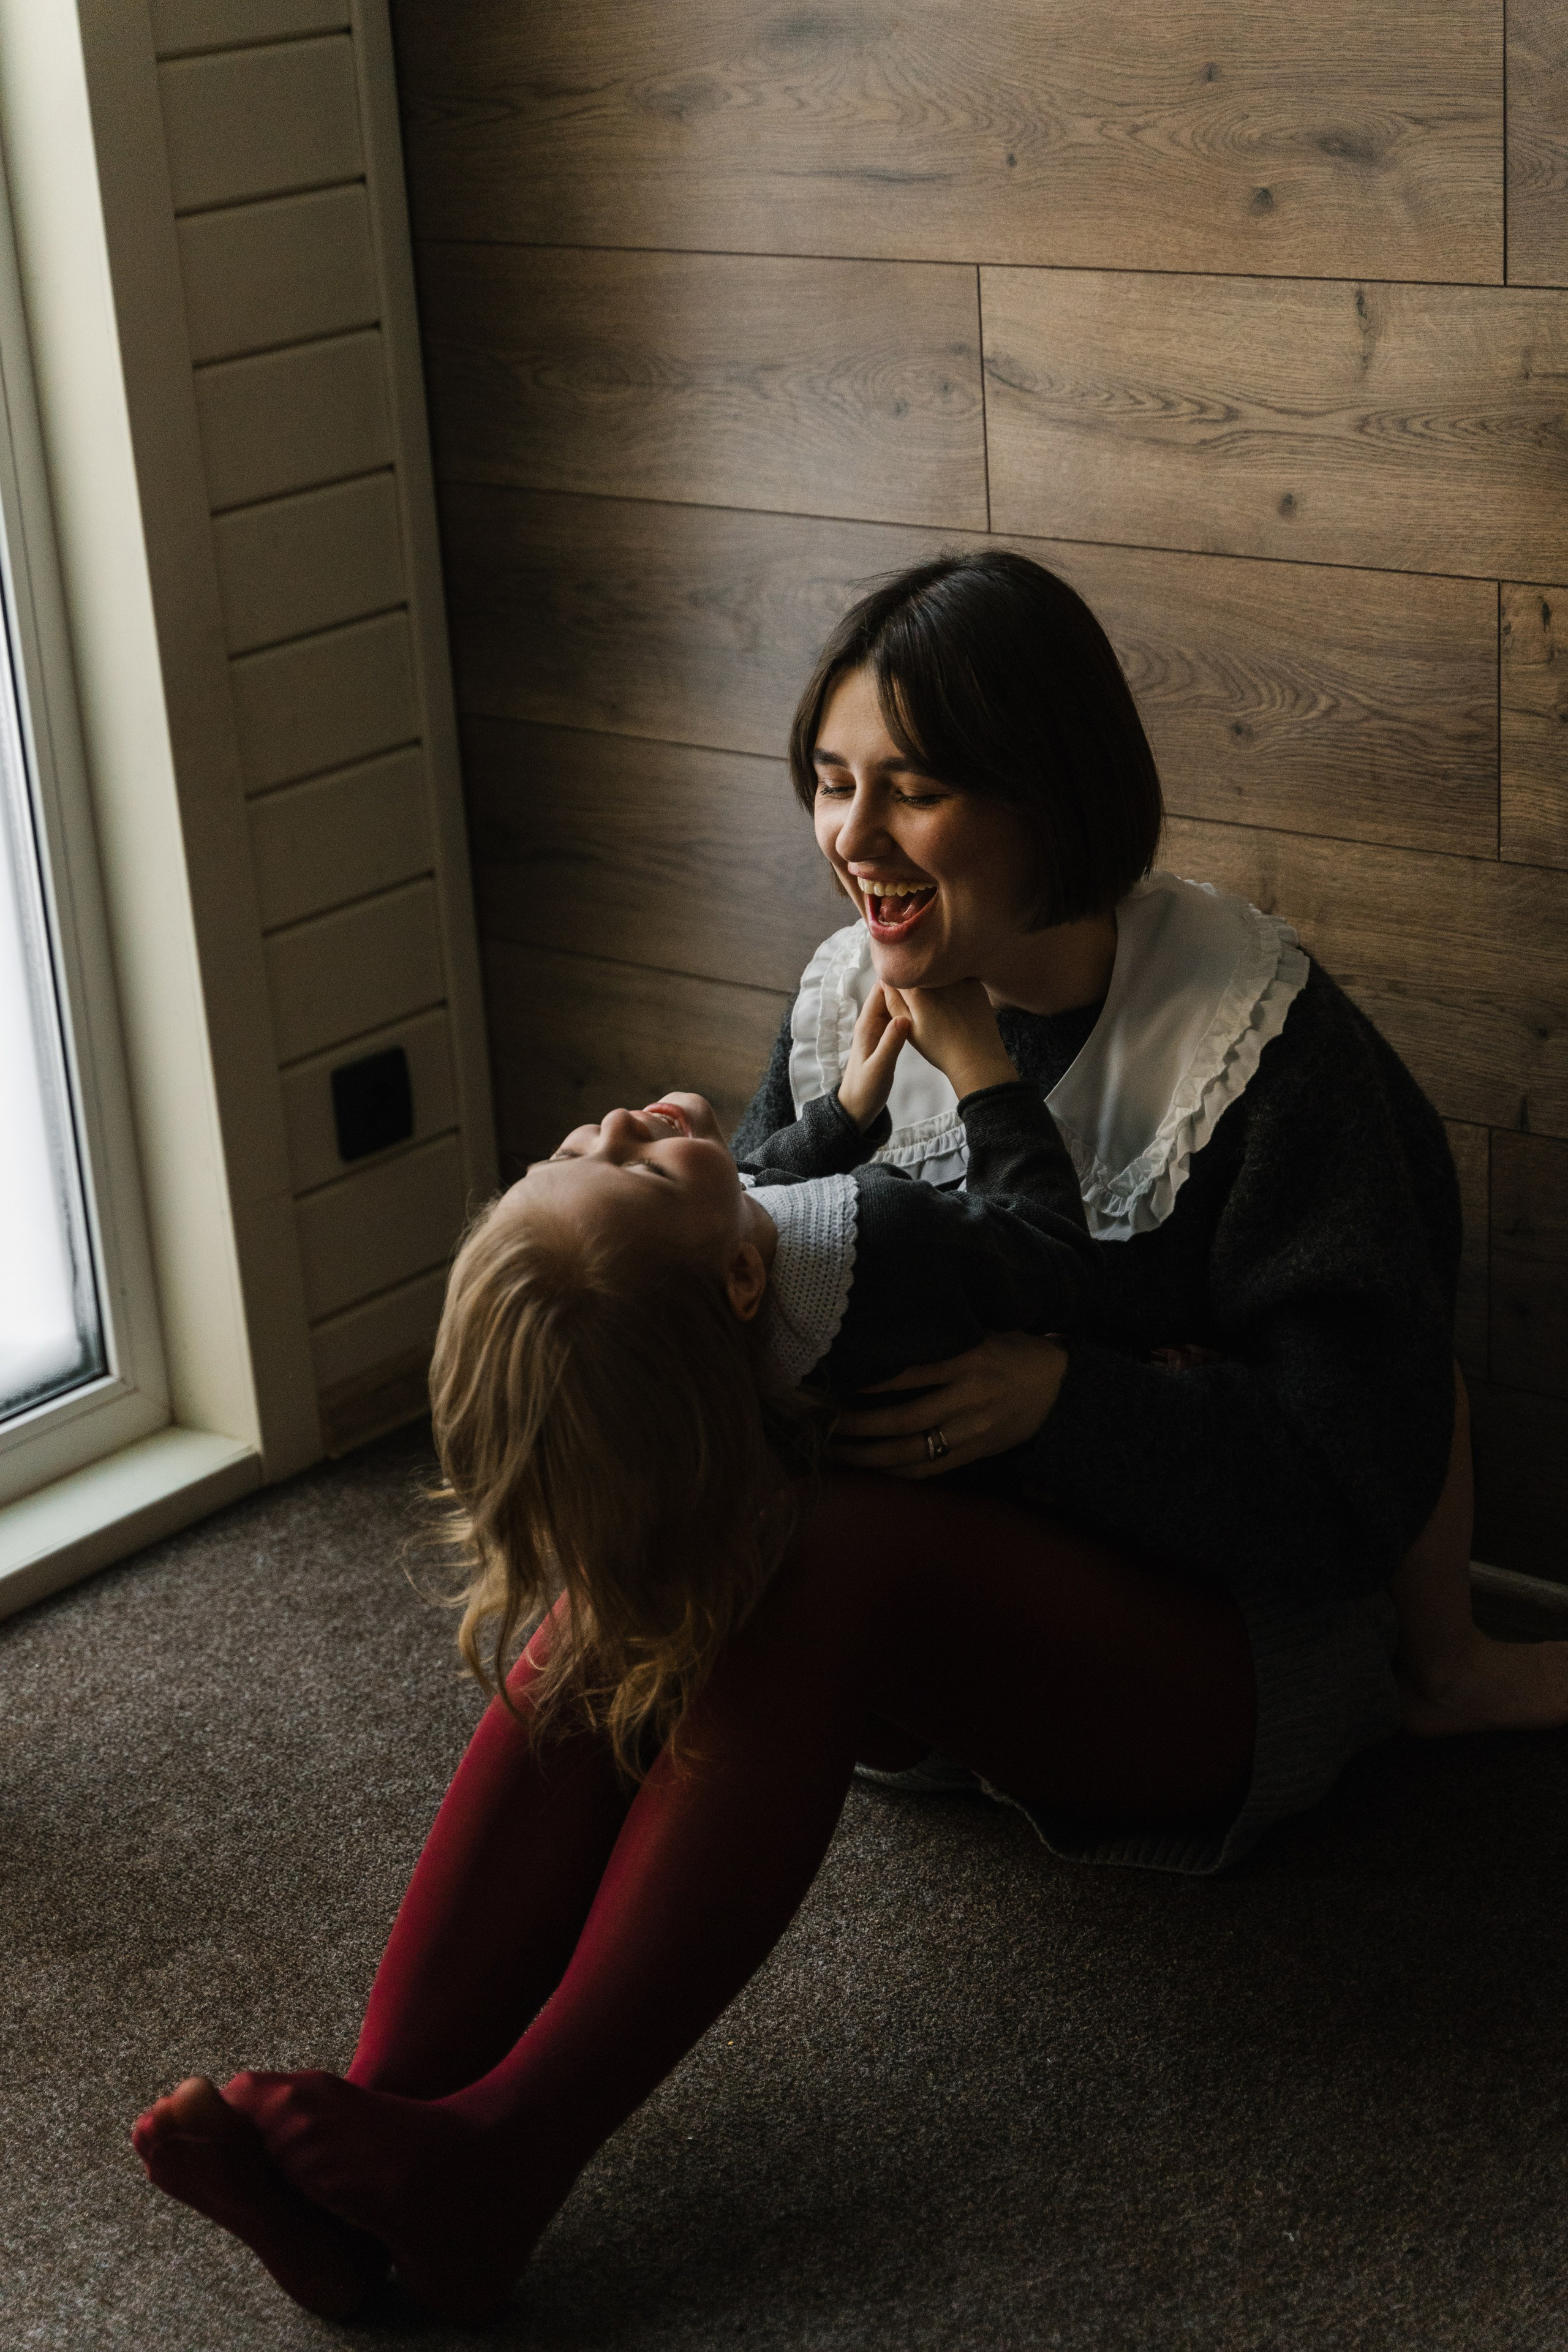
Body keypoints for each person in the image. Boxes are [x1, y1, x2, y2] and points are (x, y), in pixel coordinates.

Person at [129, 549, 1566, 2328]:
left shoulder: (1260, 1047)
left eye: (915, 787)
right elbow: (743, 1297)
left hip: (1244, 1657)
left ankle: (504, 2153)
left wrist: (1072, 1400)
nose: (854, 835)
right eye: (829, 780)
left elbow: (1358, 1493)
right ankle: (382, 2117)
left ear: (1050, 794)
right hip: (950, 1636)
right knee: (672, 1572)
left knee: (811, 1559)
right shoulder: (848, 999)